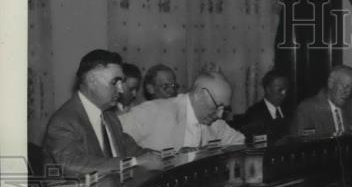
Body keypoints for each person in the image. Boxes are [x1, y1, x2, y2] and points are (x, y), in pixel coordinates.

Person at [42, 49, 162, 177]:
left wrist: (162, 157)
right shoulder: (64, 120)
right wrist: (133, 163)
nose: (121, 89)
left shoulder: (109, 117)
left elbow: (134, 151)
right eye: (115, 82)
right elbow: (71, 165)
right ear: (92, 81)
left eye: (122, 82)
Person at [119, 68, 246, 151]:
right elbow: (112, 138)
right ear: (199, 95)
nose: (220, 114)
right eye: (217, 105)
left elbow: (239, 142)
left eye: (224, 108)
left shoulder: (215, 122)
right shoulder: (153, 111)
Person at [289, 65, 352, 137]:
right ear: (331, 83)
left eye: (351, 90)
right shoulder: (307, 109)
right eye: (345, 87)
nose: (347, 93)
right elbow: (300, 144)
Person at [237, 69, 291, 142]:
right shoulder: (253, 113)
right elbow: (251, 143)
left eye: (286, 90)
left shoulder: (289, 109)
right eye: (280, 90)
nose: (284, 93)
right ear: (268, 89)